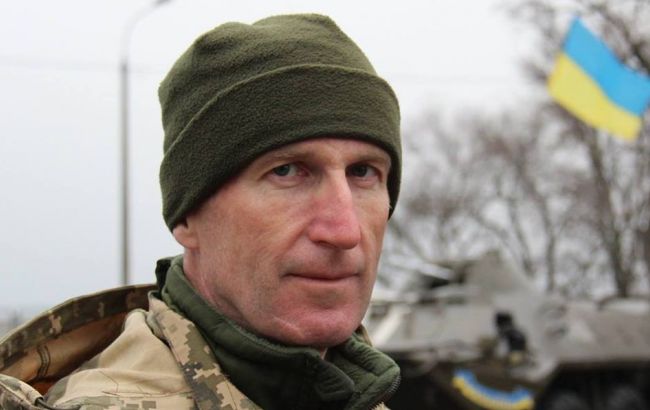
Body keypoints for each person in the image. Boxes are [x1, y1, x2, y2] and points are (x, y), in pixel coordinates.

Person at [0, 13, 401, 410]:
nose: (344, 231)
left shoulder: (356, 393)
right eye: (286, 171)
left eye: (363, 172)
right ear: (188, 216)